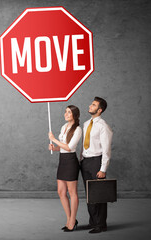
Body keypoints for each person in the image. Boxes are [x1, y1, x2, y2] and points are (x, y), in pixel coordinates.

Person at [80, 97, 113, 234]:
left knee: (98, 194)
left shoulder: (103, 126)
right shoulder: (86, 123)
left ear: (99, 110)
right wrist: (81, 159)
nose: (90, 106)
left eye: (93, 105)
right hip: (86, 161)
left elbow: (106, 149)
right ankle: (92, 222)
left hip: (97, 161)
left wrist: (103, 169)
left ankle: (101, 224)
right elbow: (84, 143)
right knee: (89, 194)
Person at [48, 105, 82, 232]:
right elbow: (62, 148)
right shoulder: (63, 127)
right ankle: (69, 218)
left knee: (72, 192)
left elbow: (69, 147)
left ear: (74, 115)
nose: (66, 114)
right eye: (65, 111)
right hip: (62, 161)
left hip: (71, 162)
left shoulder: (78, 129)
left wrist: (54, 139)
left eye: (69, 112)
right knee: (61, 192)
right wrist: (54, 147)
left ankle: (73, 220)